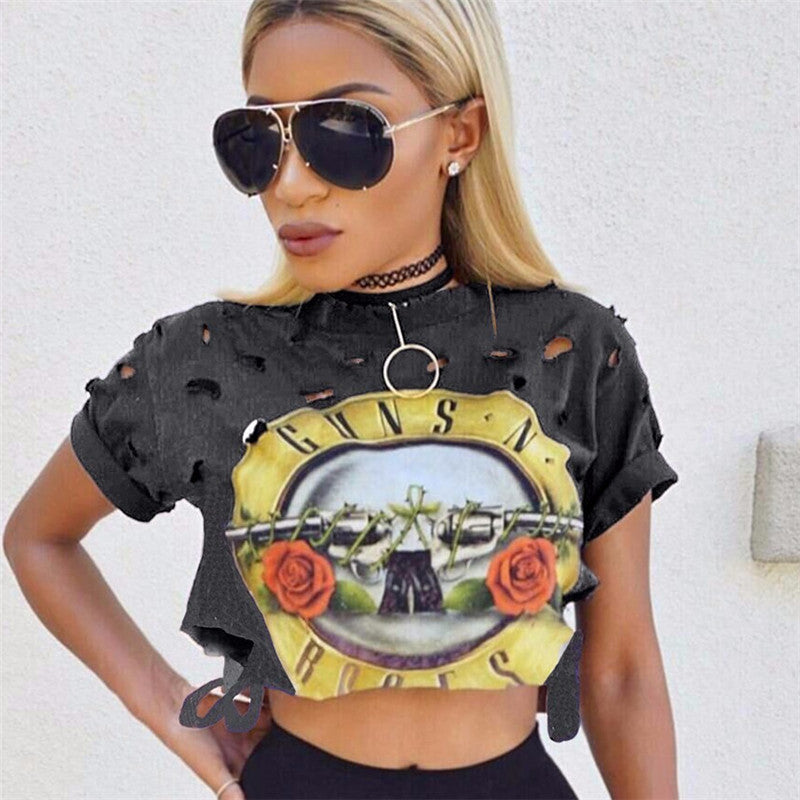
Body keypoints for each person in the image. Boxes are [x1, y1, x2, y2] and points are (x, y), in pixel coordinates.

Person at [3, 1, 680, 798]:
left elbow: (622, 672)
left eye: (344, 132)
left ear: (459, 134)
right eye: (257, 140)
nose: (291, 185)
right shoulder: (208, 356)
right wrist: (173, 709)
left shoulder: (574, 350)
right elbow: (38, 539)